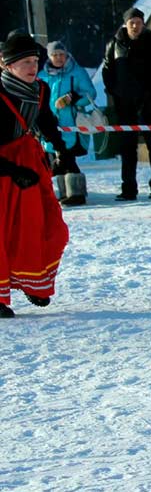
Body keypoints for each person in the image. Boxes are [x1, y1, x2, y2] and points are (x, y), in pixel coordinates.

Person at [1, 32, 70, 318]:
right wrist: (12, 171)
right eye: (26, 62)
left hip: (29, 164)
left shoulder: (39, 89)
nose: (33, 67)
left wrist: (62, 151)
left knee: (46, 226)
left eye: (35, 61)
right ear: (7, 65)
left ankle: (34, 282)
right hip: (4, 169)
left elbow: (46, 122)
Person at [102, 7, 151, 200]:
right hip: (125, 104)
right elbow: (107, 70)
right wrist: (116, 92)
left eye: (138, 22)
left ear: (143, 24)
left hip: (148, 102)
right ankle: (128, 188)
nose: (135, 26)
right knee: (128, 148)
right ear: (126, 23)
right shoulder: (115, 44)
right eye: (132, 22)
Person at [38, 40, 97, 206]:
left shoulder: (77, 72)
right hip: (49, 124)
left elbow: (90, 94)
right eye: (54, 55)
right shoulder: (42, 75)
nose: (58, 58)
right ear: (49, 57)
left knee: (68, 159)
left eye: (61, 54)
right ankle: (65, 192)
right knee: (57, 161)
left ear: (67, 55)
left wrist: (73, 98)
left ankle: (77, 194)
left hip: (71, 124)